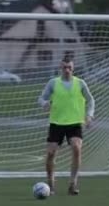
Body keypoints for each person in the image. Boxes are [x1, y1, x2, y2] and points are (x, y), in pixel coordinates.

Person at [38, 56, 95, 195]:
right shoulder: (53, 83)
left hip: (75, 123)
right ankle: (51, 185)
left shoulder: (80, 83)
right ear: (60, 68)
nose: (67, 70)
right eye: (64, 67)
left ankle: (73, 184)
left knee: (76, 148)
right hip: (56, 123)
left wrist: (89, 115)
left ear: (73, 68)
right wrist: (44, 104)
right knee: (51, 153)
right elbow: (40, 98)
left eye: (70, 67)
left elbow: (90, 99)